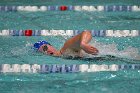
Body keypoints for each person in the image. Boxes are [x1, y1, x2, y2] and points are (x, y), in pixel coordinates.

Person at [33, 30, 99, 57]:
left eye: (45, 47)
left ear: (51, 46)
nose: (47, 51)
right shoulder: (64, 55)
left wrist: (83, 44)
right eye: (43, 51)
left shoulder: (66, 49)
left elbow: (86, 32)